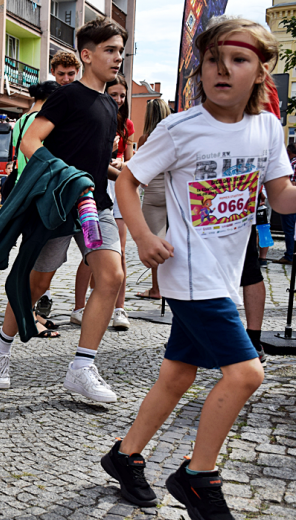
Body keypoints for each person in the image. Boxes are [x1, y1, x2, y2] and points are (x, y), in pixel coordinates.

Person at [104, 18, 294, 518]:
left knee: (177, 375)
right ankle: (197, 477)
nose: (223, 70)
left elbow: (283, 198)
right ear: (201, 68)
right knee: (246, 374)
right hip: (188, 272)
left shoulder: (267, 127)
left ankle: (124, 458)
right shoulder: (179, 128)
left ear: (261, 70)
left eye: (239, 60)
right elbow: (128, 181)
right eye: (213, 60)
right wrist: (143, 238)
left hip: (225, 274)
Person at [0, 18, 126, 399]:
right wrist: (65, 178)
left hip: (96, 206)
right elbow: (31, 142)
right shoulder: (66, 96)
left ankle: (82, 367)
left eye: (120, 51)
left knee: (111, 276)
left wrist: (125, 171)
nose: (118, 58)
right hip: (58, 204)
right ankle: (0, 346)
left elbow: (94, 156)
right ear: (87, 54)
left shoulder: (109, 105)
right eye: (111, 50)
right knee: (37, 284)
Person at [73, 74, 134, 331]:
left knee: (118, 249)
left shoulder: (127, 125)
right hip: (91, 186)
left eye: (122, 95)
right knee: (91, 250)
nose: (118, 100)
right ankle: (79, 307)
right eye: (114, 94)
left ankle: (119, 309)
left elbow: (130, 160)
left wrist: (123, 165)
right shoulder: (91, 115)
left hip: (117, 185)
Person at [5, 80, 63, 317]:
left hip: (21, 187)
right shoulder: (44, 121)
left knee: (31, 247)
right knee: (38, 249)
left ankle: (37, 296)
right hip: (39, 188)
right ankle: (32, 300)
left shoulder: (19, 121)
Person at [135, 99, 171, 299]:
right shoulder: (174, 137)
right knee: (174, 240)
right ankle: (172, 286)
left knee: (155, 243)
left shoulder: (146, 139)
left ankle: (157, 289)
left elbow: (140, 169)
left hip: (154, 193)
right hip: (172, 192)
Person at [273, 142, 296, 264]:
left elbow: (290, 184)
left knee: (289, 229)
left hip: (291, 202)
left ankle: (289, 256)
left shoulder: (292, 164)